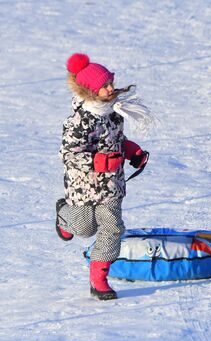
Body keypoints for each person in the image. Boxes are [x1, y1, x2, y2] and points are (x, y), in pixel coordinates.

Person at [56, 53, 152, 300]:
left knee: (112, 228)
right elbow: (68, 154)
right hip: (83, 186)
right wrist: (97, 161)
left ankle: (99, 280)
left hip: (111, 186)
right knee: (84, 228)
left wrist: (133, 152)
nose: (111, 88)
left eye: (110, 82)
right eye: (104, 86)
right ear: (89, 91)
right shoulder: (78, 121)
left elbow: (117, 141)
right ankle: (63, 215)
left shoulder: (113, 114)